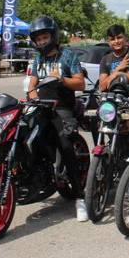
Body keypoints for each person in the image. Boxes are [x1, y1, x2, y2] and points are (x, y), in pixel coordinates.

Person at [27, 15, 88, 222]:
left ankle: (80, 198)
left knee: (66, 148)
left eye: (45, 37)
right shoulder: (38, 60)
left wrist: (62, 80)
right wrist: (33, 98)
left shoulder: (67, 56)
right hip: (41, 109)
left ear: (53, 36)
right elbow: (31, 86)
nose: (42, 41)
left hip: (62, 109)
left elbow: (81, 84)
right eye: (39, 39)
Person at [98, 24, 129, 94]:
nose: (116, 41)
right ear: (109, 42)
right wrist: (117, 69)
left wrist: (119, 73)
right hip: (112, 101)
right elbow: (102, 87)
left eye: (119, 37)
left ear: (125, 38)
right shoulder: (105, 59)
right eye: (112, 39)